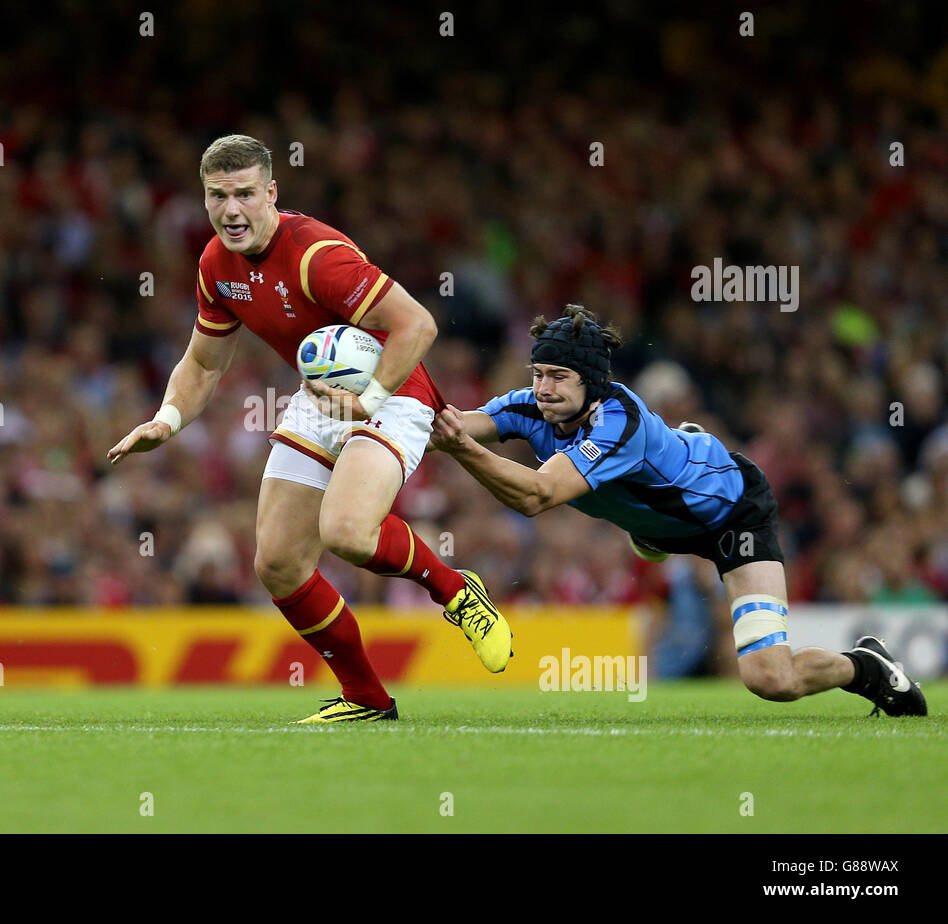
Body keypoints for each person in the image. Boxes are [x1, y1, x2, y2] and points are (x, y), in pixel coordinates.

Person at [108, 134, 511, 722]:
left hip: (392, 389)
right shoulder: (216, 266)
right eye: (217, 196)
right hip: (320, 394)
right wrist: (165, 420)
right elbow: (202, 363)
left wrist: (369, 398)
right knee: (277, 562)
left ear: (272, 193)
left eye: (245, 194)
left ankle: (455, 592)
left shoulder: (315, 254)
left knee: (347, 530)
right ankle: (367, 699)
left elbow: (418, 326)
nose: (231, 210)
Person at [430, 304, 927, 717]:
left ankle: (867, 667)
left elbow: (536, 496)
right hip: (666, 521)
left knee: (770, 679)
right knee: (639, 510)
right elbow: (448, 425)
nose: (543, 388)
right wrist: (362, 425)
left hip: (733, 515)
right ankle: (655, 523)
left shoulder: (617, 421)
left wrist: (461, 447)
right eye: (538, 374)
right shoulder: (530, 406)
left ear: (594, 382)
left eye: (559, 377)